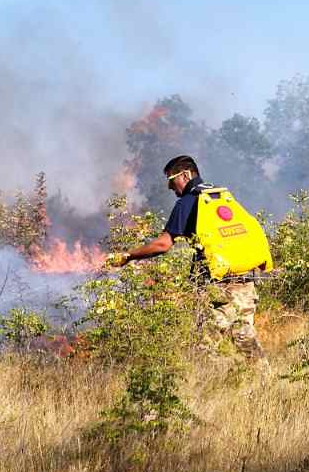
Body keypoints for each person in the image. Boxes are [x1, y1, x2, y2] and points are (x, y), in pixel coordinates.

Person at [109, 154, 272, 361]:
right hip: (246, 284)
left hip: (221, 290)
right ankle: (263, 383)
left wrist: (129, 256)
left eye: (171, 180)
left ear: (185, 175)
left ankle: (210, 390)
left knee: (205, 348)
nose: (169, 187)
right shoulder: (220, 196)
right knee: (245, 342)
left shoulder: (188, 202)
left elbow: (163, 244)